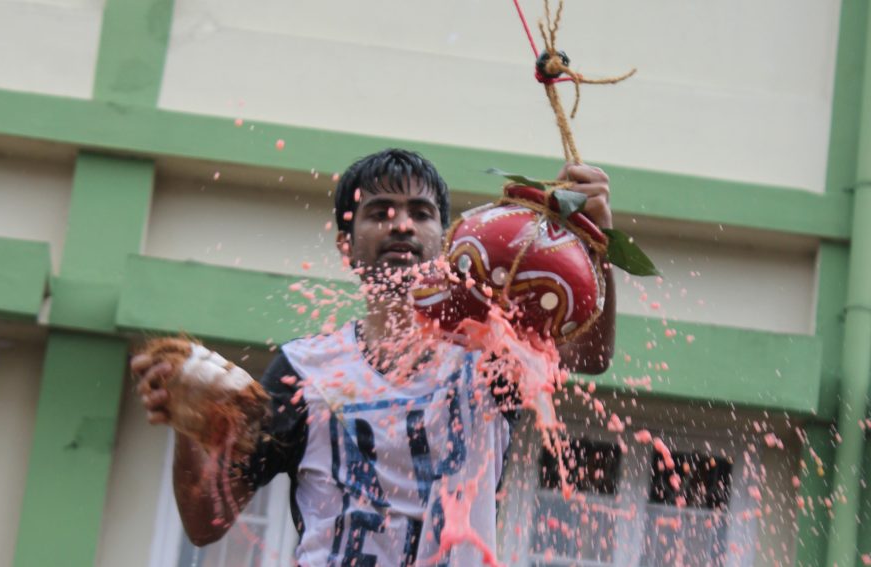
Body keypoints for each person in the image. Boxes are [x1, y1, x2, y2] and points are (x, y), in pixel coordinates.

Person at [132, 148, 616, 566]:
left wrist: (597, 241)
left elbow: (591, 354)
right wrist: (191, 423)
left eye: (420, 213)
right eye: (380, 211)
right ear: (346, 243)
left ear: (446, 240)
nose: (401, 224)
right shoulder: (304, 370)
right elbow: (206, 524)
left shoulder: (488, 350)